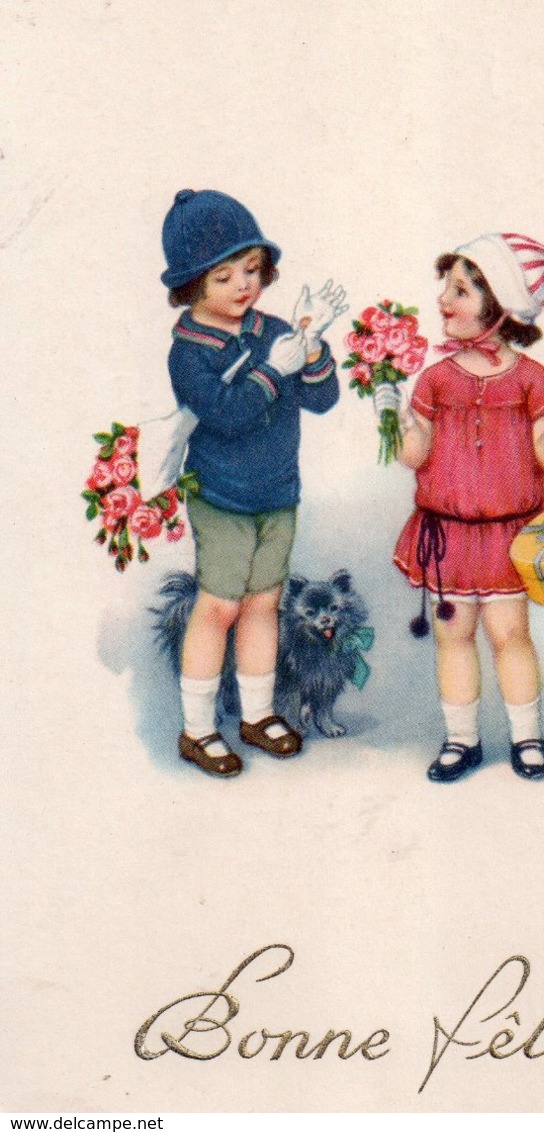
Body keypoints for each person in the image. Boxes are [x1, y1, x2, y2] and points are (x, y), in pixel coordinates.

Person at [375, 232, 544, 783]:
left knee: (512, 637)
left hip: (509, 537)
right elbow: (415, 456)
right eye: (446, 286)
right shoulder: (436, 378)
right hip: (448, 536)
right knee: (453, 638)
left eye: (459, 290)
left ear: (499, 306)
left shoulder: (532, 379)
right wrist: (394, 418)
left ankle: (527, 736)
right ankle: (462, 741)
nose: (443, 300)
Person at [160, 189, 347, 777]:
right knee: (217, 607)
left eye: (252, 270)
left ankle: (258, 715)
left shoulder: (272, 328)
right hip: (221, 496)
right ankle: (197, 729)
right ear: (193, 286)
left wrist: (312, 347)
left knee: (265, 603)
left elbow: (322, 398)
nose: (244, 285)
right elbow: (227, 412)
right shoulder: (188, 349)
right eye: (224, 276)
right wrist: (276, 367)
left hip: (278, 493)